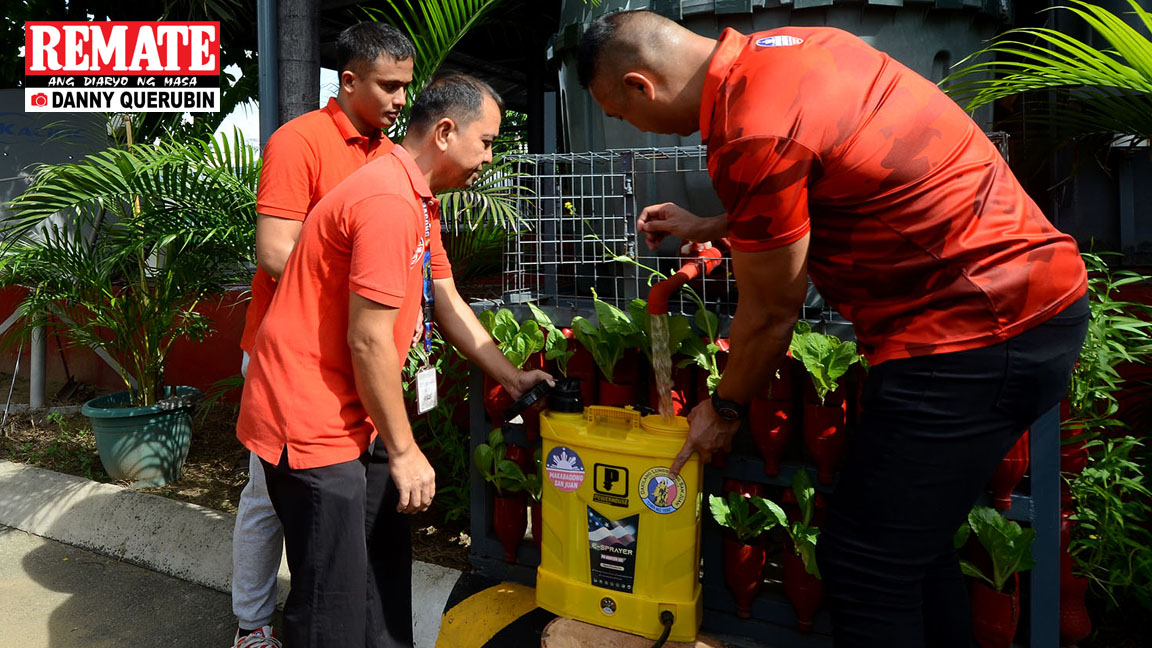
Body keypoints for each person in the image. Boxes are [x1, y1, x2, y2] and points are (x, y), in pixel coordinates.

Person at [578, 10, 1088, 647]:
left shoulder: (749, 131)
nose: (634, 127)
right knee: (914, 551)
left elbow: (770, 313)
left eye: (622, 115)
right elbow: (837, 173)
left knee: (866, 564)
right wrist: (712, 225)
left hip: (976, 329)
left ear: (638, 85)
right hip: (1019, 305)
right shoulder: (794, 49)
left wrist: (725, 407)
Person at [237, 73, 551, 648]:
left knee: (382, 572)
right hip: (309, 418)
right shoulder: (385, 199)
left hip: (355, 410)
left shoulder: (416, 199)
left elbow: (446, 298)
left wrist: (510, 375)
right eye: (486, 142)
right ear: (447, 132)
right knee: (332, 601)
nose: (489, 158)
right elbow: (369, 341)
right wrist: (406, 451)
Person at [231, 22, 415, 648]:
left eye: (405, 88)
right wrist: (370, 297)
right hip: (289, 347)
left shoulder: (390, 155)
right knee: (267, 493)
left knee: (341, 499)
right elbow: (277, 251)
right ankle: (252, 623)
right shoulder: (299, 141)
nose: (398, 100)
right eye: (388, 86)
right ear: (349, 81)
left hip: (348, 349)